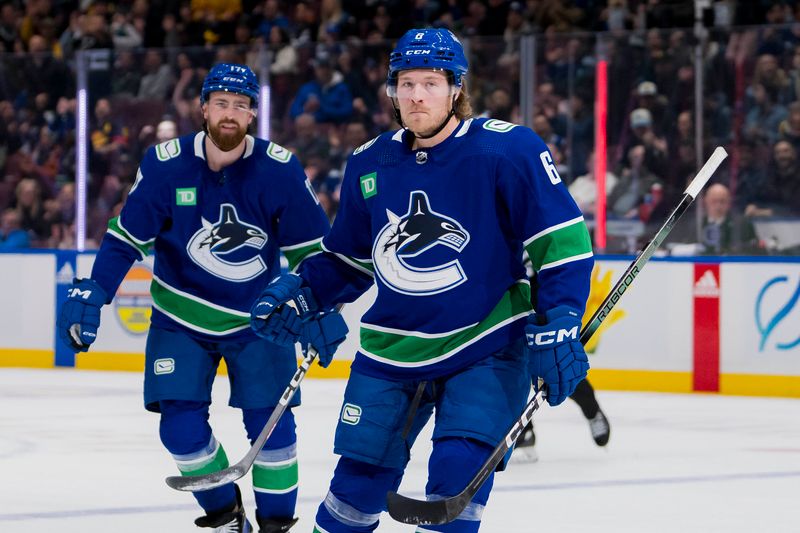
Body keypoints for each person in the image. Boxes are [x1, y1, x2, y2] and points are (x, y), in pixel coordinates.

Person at [251, 29, 594, 532]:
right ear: (392, 89)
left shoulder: (508, 150)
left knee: (453, 492)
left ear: (456, 88)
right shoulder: (370, 161)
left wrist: (561, 318)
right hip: (391, 351)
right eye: (406, 83)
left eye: (431, 83)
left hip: (486, 344)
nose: (416, 96)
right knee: (350, 501)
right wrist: (302, 292)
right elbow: (349, 257)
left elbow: (560, 246)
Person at [57, 63, 332, 533]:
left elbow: (316, 255)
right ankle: (227, 517)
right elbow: (127, 238)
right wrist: (96, 289)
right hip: (179, 318)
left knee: (275, 435)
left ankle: (275, 526)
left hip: (259, 320)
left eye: (241, 106)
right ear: (203, 107)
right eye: (221, 103)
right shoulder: (165, 165)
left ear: (252, 115)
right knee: (180, 431)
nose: (230, 114)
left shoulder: (281, 171)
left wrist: (315, 305)